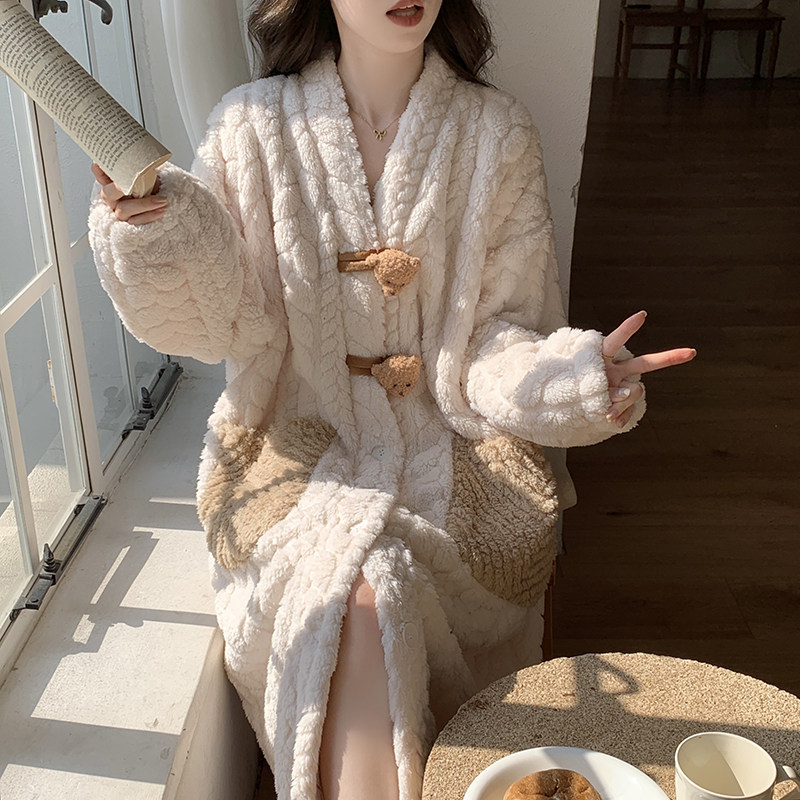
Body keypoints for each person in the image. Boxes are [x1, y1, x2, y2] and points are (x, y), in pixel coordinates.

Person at [88, 1, 695, 798]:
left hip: (458, 455)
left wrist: (572, 382)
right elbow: (219, 324)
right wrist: (155, 238)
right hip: (292, 451)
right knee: (362, 591)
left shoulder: (496, 132)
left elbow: (497, 338)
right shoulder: (249, 127)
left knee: (371, 592)